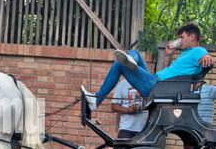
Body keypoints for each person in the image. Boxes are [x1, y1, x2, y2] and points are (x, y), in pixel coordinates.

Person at [81, 23, 215, 111]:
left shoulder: (198, 51)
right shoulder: (185, 53)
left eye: (182, 37)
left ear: (192, 37)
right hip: (158, 81)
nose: (180, 40)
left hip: (158, 86)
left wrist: (207, 58)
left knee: (119, 64)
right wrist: (169, 54)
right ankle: (131, 61)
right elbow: (171, 72)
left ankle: (97, 99)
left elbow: (204, 57)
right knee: (136, 54)